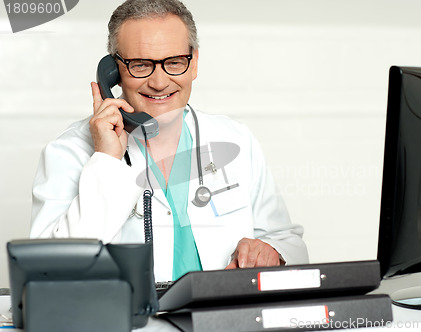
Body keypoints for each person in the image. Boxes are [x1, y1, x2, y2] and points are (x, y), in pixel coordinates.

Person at [30, 0, 308, 282]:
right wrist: (106, 160)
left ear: (194, 63)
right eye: (140, 65)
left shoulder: (236, 140)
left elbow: (287, 239)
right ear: (113, 72)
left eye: (174, 62)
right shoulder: (68, 152)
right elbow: (47, 270)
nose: (160, 82)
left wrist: (272, 251)